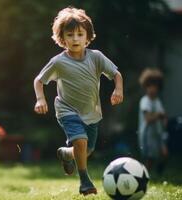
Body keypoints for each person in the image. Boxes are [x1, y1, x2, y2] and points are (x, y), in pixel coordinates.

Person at [33, 7, 123, 195]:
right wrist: (40, 99)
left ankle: (67, 153)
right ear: (62, 38)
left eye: (80, 34)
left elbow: (116, 74)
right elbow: (39, 81)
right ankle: (85, 182)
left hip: (91, 113)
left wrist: (118, 89)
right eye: (70, 34)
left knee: (86, 150)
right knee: (80, 142)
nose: (75, 39)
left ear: (87, 37)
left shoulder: (96, 57)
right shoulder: (58, 62)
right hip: (67, 110)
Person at [138, 68, 168, 174]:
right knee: (150, 157)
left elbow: (163, 115)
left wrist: (164, 120)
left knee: (164, 153)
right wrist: (159, 115)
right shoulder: (145, 101)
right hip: (148, 134)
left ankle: (159, 172)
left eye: (155, 86)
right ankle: (144, 175)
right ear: (146, 86)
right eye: (150, 86)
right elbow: (148, 118)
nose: (152, 89)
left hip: (158, 133)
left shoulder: (157, 101)